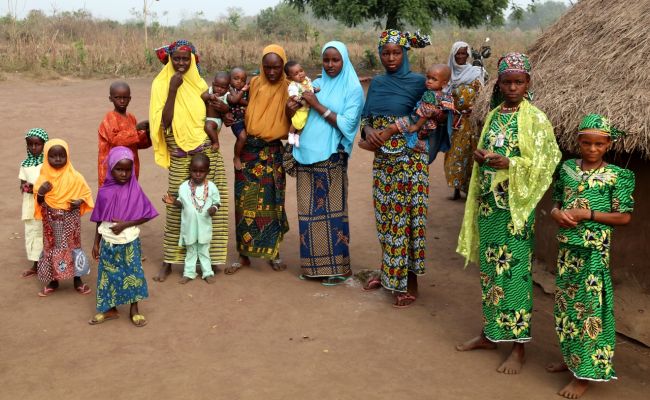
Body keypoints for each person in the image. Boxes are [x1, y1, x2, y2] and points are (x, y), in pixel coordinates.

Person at [455, 53, 561, 375]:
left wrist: (511, 164)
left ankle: (518, 348)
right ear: (498, 84)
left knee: (514, 275)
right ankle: (491, 334)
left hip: (515, 211)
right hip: (489, 208)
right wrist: (481, 157)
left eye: (518, 81)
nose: (513, 87)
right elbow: (488, 153)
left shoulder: (536, 119)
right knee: (490, 273)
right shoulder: (494, 116)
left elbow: (549, 161)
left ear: (528, 83)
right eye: (507, 82)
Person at [546, 114, 634, 399]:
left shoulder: (618, 176)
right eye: (587, 143)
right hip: (567, 250)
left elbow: (624, 217)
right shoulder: (568, 168)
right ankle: (572, 358)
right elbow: (556, 201)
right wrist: (557, 213)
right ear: (578, 143)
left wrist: (589, 214)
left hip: (594, 252)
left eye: (598, 144)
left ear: (608, 144)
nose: (592, 149)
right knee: (566, 305)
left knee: (590, 310)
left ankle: (585, 374)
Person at [358, 29, 432, 308]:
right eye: (386, 53)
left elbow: (427, 113)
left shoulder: (419, 83)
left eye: (396, 52)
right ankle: (388, 272)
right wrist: (369, 131)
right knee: (386, 217)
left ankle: (408, 281)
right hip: (383, 161)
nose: (390, 58)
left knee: (409, 218)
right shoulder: (377, 84)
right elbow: (367, 117)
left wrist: (391, 130)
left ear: (405, 54)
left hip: (410, 161)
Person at [149, 39, 229, 282]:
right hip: (180, 152)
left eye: (186, 58)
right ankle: (170, 261)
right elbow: (163, 122)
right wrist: (173, 89)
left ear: (193, 59)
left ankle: (210, 259)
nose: (182, 63)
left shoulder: (200, 84)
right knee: (176, 205)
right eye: (177, 58)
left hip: (206, 153)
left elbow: (215, 115)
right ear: (170, 59)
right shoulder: (161, 83)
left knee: (215, 205)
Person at [292, 41, 364, 285]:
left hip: (331, 157)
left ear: (344, 60)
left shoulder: (353, 89)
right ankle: (312, 268)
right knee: (308, 213)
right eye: (326, 60)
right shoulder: (317, 84)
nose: (330, 65)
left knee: (332, 215)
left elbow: (347, 124)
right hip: (306, 155)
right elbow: (299, 112)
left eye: (335, 60)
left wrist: (316, 105)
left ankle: (338, 269)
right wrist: (293, 105)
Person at [224, 44, 290, 275]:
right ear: (261, 66)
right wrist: (229, 114)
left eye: (277, 67)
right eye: (267, 67)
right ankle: (244, 255)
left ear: (283, 65)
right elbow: (235, 106)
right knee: (245, 204)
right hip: (248, 153)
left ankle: (274, 253)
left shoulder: (290, 88)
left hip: (272, 153)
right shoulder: (252, 85)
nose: (272, 72)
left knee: (273, 204)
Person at [89, 147, 158, 327]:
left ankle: (134, 309)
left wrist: (125, 225)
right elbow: (99, 218)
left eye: (128, 170)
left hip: (130, 242)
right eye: (119, 169)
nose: (124, 174)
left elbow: (147, 214)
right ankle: (109, 308)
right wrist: (96, 243)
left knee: (133, 274)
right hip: (108, 242)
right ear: (111, 168)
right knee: (107, 275)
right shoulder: (104, 191)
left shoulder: (135, 190)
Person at [34, 139, 94, 296]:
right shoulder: (43, 178)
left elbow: (86, 194)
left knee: (73, 247)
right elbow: (39, 202)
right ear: (46, 157)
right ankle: (54, 280)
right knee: (52, 248)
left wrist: (79, 201)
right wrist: (41, 192)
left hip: (70, 221)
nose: (58, 159)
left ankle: (77, 279)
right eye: (53, 156)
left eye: (62, 155)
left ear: (68, 156)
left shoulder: (75, 176)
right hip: (51, 223)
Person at [358, 63, 453, 154]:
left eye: (434, 79)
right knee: (414, 137)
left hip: (415, 120)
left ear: (444, 83)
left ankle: (373, 145)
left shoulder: (431, 95)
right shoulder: (445, 96)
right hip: (428, 124)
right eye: (428, 77)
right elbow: (449, 111)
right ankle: (380, 135)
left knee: (392, 128)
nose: (429, 81)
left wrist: (416, 126)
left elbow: (426, 113)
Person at [162, 153, 221, 284]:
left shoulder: (211, 187)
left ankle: (207, 272)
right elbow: (181, 203)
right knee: (191, 251)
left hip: (204, 227)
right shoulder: (184, 187)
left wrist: (214, 209)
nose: (198, 174)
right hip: (189, 227)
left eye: (201, 171)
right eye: (195, 171)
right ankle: (189, 273)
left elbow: (217, 202)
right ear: (190, 170)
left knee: (204, 251)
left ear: (208, 172)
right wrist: (172, 201)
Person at [445, 42, 486, 200]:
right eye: (458, 54)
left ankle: (470, 189)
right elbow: (443, 96)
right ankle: (456, 187)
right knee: (454, 154)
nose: (461, 57)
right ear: (453, 56)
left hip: (473, 121)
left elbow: (482, 94)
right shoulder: (448, 75)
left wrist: (475, 110)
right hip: (456, 121)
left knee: (472, 153)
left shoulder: (476, 72)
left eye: (464, 54)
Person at [98, 81, 151, 187]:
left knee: (128, 197)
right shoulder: (109, 118)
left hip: (129, 168)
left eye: (125, 97)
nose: (122, 101)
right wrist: (136, 129)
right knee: (112, 199)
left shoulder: (131, 117)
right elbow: (116, 140)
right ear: (110, 98)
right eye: (117, 97)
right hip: (112, 169)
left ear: (130, 99)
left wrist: (148, 133)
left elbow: (137, 143)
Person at [19, 128, 48, 278]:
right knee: (32, 233)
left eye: (37, 144)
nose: (34, 148)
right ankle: (35, 265)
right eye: (30, 145)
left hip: (44, 204)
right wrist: (25, 187)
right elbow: (22, 183)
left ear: (45, 145)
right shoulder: (25, 164)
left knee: (45, 233)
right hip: (30, 204)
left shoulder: (48, 164)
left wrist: (36, 188)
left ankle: (46, 264)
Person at [285, 61, 319, 148]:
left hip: (308, 108)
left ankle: (297, 136)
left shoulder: (306, 80)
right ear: (290, 77)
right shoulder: (294, 85)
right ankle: (291, 133)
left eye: (301, 71)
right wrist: (298, 100)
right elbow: (292, 95)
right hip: (301, 108)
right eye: (296, 74)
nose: (300, 74)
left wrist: (315, 90)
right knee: (296, 122)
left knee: (304, 123)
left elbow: (310, 88)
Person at [229, 67, 250, 171]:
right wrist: (243, 90)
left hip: (246, 119)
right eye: (236, 78)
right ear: (230, 79)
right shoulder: (230, 89)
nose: (239, 82)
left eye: (242, 80)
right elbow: (236, 100)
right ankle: (236, 157)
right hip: (236, 120)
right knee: (242, 137)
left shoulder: (247, 90)